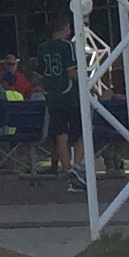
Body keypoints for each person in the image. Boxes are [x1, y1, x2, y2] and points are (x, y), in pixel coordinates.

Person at [37, 16, 79, 176]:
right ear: (63, 28)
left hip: (52, 96)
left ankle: (67, 169)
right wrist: (88, 85)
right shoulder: (67, 46)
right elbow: (71, 72)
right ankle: (78, 168)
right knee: (80, 134)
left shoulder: (43, 48)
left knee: (61, 135)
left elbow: (40, 75)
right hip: (69, 95)